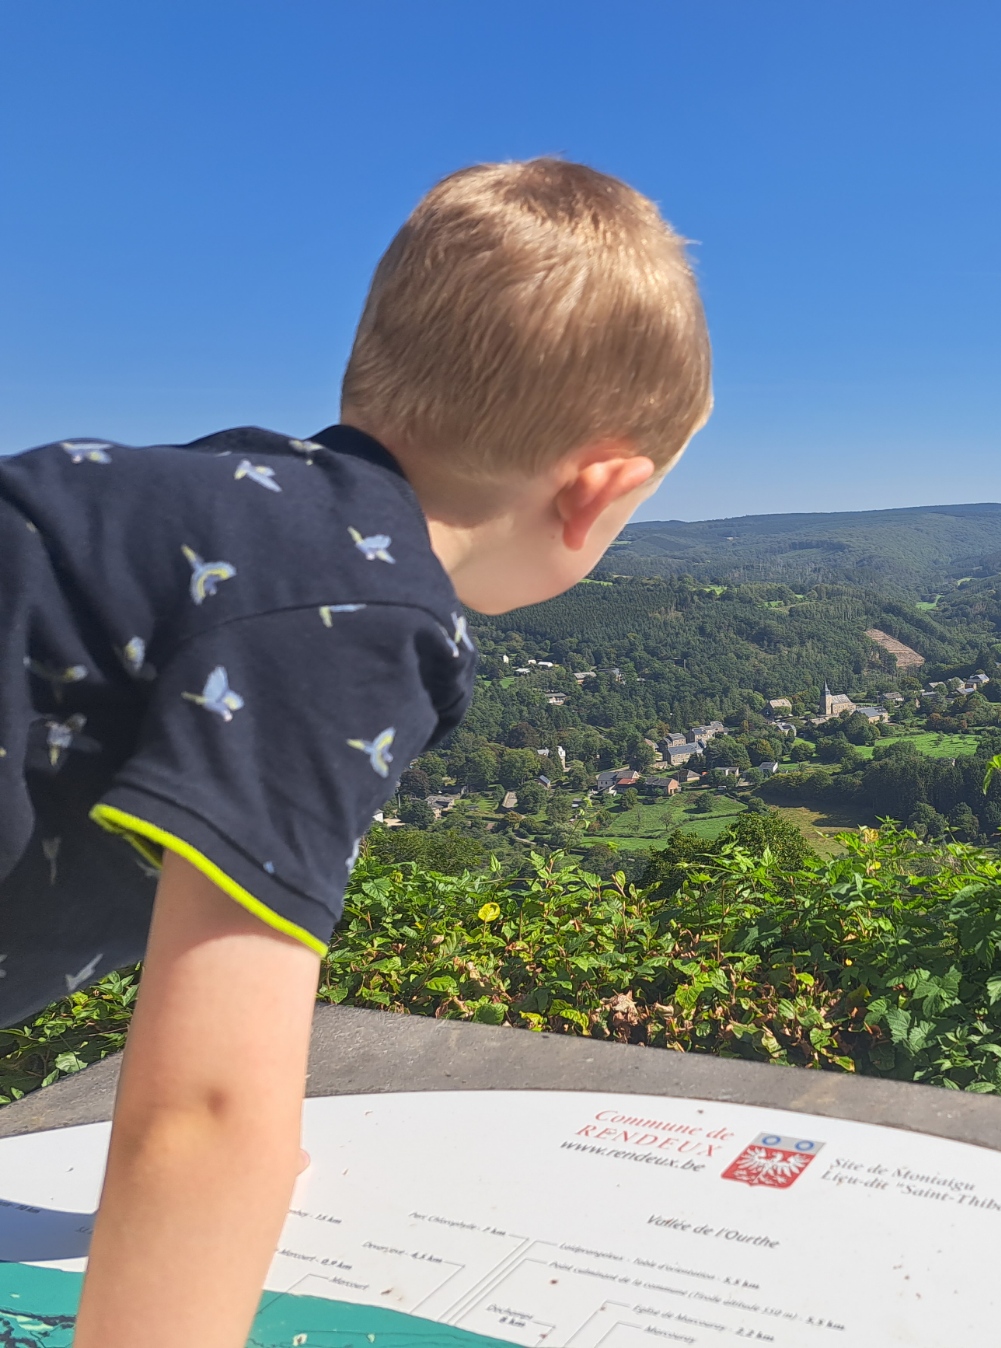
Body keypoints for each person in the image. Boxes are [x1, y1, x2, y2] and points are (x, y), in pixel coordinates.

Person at [0, 159, 711, 1348]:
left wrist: (249, 1141)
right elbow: (202, 1116)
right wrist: (235, 1152)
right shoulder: (349, 615)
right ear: (598, 493)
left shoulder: (224, 511)